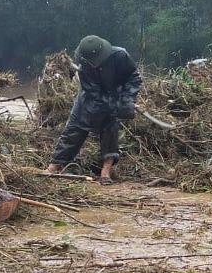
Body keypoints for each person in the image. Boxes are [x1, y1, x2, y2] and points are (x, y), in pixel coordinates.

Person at [46, 35, 142, 185]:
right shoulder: (82, 62)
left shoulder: (120, 56)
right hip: (88, 99)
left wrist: (127, 101)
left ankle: (106, 171)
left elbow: (134, 78)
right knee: (74, 130)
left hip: (115, 95)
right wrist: (113, 105)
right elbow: (93, 92)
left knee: (110, 131)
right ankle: (55, 165)